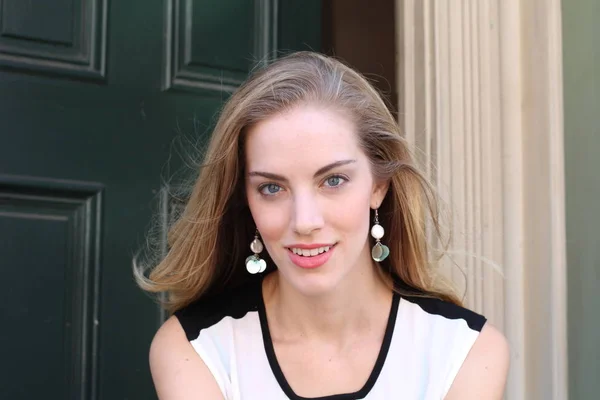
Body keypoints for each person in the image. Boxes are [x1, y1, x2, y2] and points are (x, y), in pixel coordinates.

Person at [136, 51, 510, 399]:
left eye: (332, 181)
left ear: (379, 185)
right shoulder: (196, 350)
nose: (305, 222)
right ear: (245, 200)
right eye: (271, 187)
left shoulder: (465, 353)